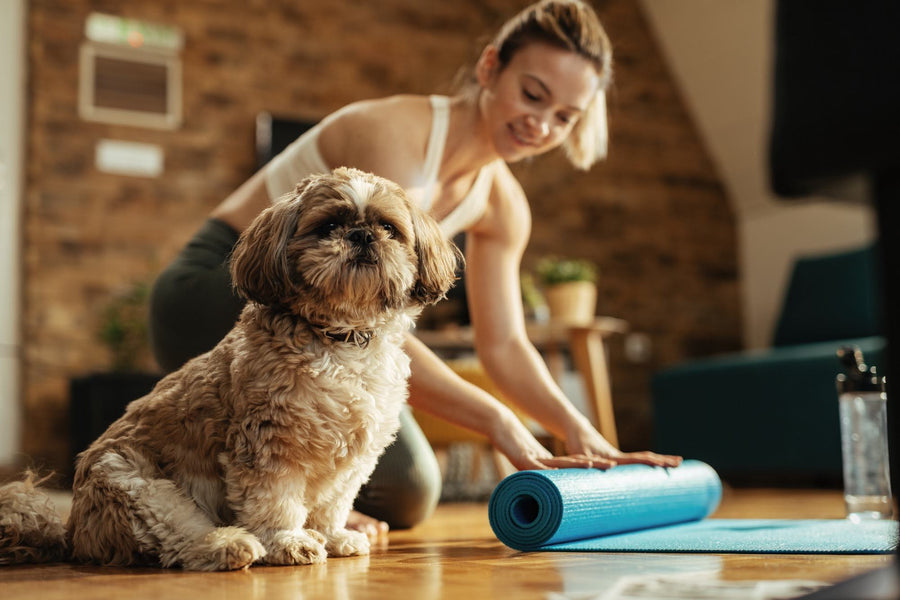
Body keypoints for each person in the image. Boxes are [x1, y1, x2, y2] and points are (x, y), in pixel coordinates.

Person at [148, 0, 681, 537]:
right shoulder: (396, 133)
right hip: (223, 288)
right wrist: (499, 421)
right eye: (533, 94)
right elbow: (359, 316)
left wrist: (577, 428)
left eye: (565, 117)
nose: (540, 124)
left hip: (329, 319)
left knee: (408, 493)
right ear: (490, 67)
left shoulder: (504, 206)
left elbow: (505, 346)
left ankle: (294, 502)